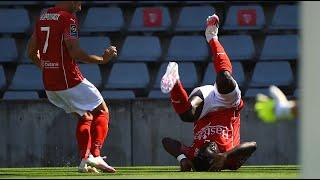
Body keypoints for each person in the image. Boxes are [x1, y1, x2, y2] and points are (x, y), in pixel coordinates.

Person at [26, 1, 117, 173]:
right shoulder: (68, 20)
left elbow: (30, 52)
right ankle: (95, 155)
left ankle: (84, 161)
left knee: (85, 116)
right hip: (69, 79)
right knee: (102, 111)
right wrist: (102, 60)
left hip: (50, 84)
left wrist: (48, 68)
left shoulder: (43, 18)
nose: (81, 5)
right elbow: (74, 52)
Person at [160, 14, 257, 172]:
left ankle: (175, 82)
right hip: (228, 105)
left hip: (203, 108)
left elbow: (166, 141)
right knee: (224, 78)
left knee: (187, 115)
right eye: (212, 150)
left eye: (206, 147)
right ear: (216, 160)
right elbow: (253, 145)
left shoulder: (196, 153)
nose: (209, 144)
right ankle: (212, 37)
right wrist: (226, 156)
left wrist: (183, 158)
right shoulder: (230, 161)